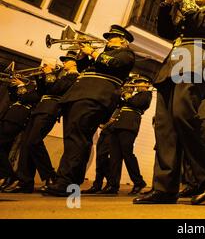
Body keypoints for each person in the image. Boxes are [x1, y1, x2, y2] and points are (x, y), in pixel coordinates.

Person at [133, 0, 205, 205]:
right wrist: (166, 7)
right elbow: (167, 32)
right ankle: (164, 188)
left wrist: (182, 0)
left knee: (183, 113)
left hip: (197, 58)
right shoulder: (188, 12)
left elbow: (202, 23)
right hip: (173, 62)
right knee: (165, 126)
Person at [44, 25, 135, 196]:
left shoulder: (126, 54)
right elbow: (81, 69)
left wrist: (94, 52)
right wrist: (84, 55)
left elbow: (113, 64)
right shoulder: (100, 57)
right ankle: (72, 183)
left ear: (123, 40)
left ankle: (65, 182)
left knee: (77, 138)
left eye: (112, 37)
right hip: (80, 95)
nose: (108, 40)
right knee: (76, 139)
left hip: (94, 97)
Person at [4, 52, 79, 193]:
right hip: (40, 109)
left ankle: (51, 176)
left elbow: (56, 89)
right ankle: (25, 181)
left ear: (74, 63)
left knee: (34, 142)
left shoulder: (75, 76)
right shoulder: (61, 76)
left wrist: (49, 74)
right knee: (27, 144)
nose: (64, 63)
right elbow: (42, 91)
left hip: (51, 109)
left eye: (67, 60)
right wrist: (41, 75)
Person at [0, 73, 41, 191]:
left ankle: (9, 175)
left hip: (17, 119)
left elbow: (26, 98)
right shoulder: (28, 89)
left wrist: (21, 85)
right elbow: (14, 98)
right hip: (9, 117)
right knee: (3, 148)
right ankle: (7, 176)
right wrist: (13, 86)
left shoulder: (40, 91)